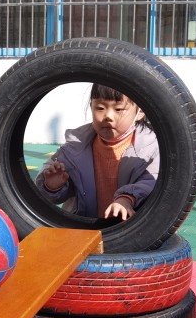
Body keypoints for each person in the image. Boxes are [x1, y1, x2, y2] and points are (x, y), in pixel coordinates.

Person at [36, 84, 159, 221]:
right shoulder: (75, 146)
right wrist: (53, 187)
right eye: (100, 108)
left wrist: (127, 198)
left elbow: (153, 180)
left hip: (132, 226)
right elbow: (52, 192)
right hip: (84, 226)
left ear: (140, 112)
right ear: (91, 107)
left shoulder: (151, 148)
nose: (108, 116)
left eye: (118, 109)